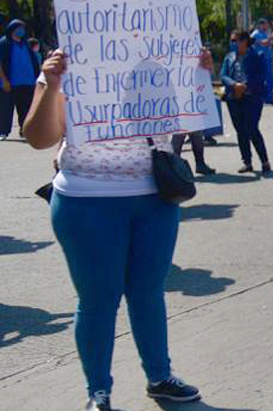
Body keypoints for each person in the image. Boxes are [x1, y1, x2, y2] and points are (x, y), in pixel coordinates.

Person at [23, 49, 214, 411]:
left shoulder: (164, 55)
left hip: (154, 197)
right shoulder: (67, 59)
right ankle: (98, 392)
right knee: (98, 299)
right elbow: (37, 137)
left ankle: (160, 377)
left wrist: (199, 77)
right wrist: (51, 85)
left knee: (148, 292)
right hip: (86, 199)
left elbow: (190, 124)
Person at [220, 29, 272, 175]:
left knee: (252, 128)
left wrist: (244, 86)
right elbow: (223, 75)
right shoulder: (229, 57)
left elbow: (261, 76)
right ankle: (247, 162)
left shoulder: (257, 56)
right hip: (233, 97)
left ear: (244, 41)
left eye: (235, 40)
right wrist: (233, 85)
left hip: (252, 97)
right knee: (240, 130)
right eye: (232, 41)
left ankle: (264, 161)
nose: (233, 44)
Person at [0, 19, 42, 140]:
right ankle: (3, 131)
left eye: (22, 28)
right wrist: (4, 80)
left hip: (28, 82)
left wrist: (37, 78)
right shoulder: (4, 43)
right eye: (18, 28)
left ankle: (25, 131)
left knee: (26, 108)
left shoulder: (26, 44)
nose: (21, 31)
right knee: (6, 108)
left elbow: (34, 63)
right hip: (10, 82)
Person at [250, 18, 273, 105]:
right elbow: (263, 43)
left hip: (267, 59)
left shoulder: (264, 33)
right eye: (265, 24)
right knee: (263, 79)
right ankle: (264, 98)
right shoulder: (255, 34)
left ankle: (269, 97)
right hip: (261, 60)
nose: (267, 26)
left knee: (269, 79)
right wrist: (271, 38)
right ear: (261, 24)